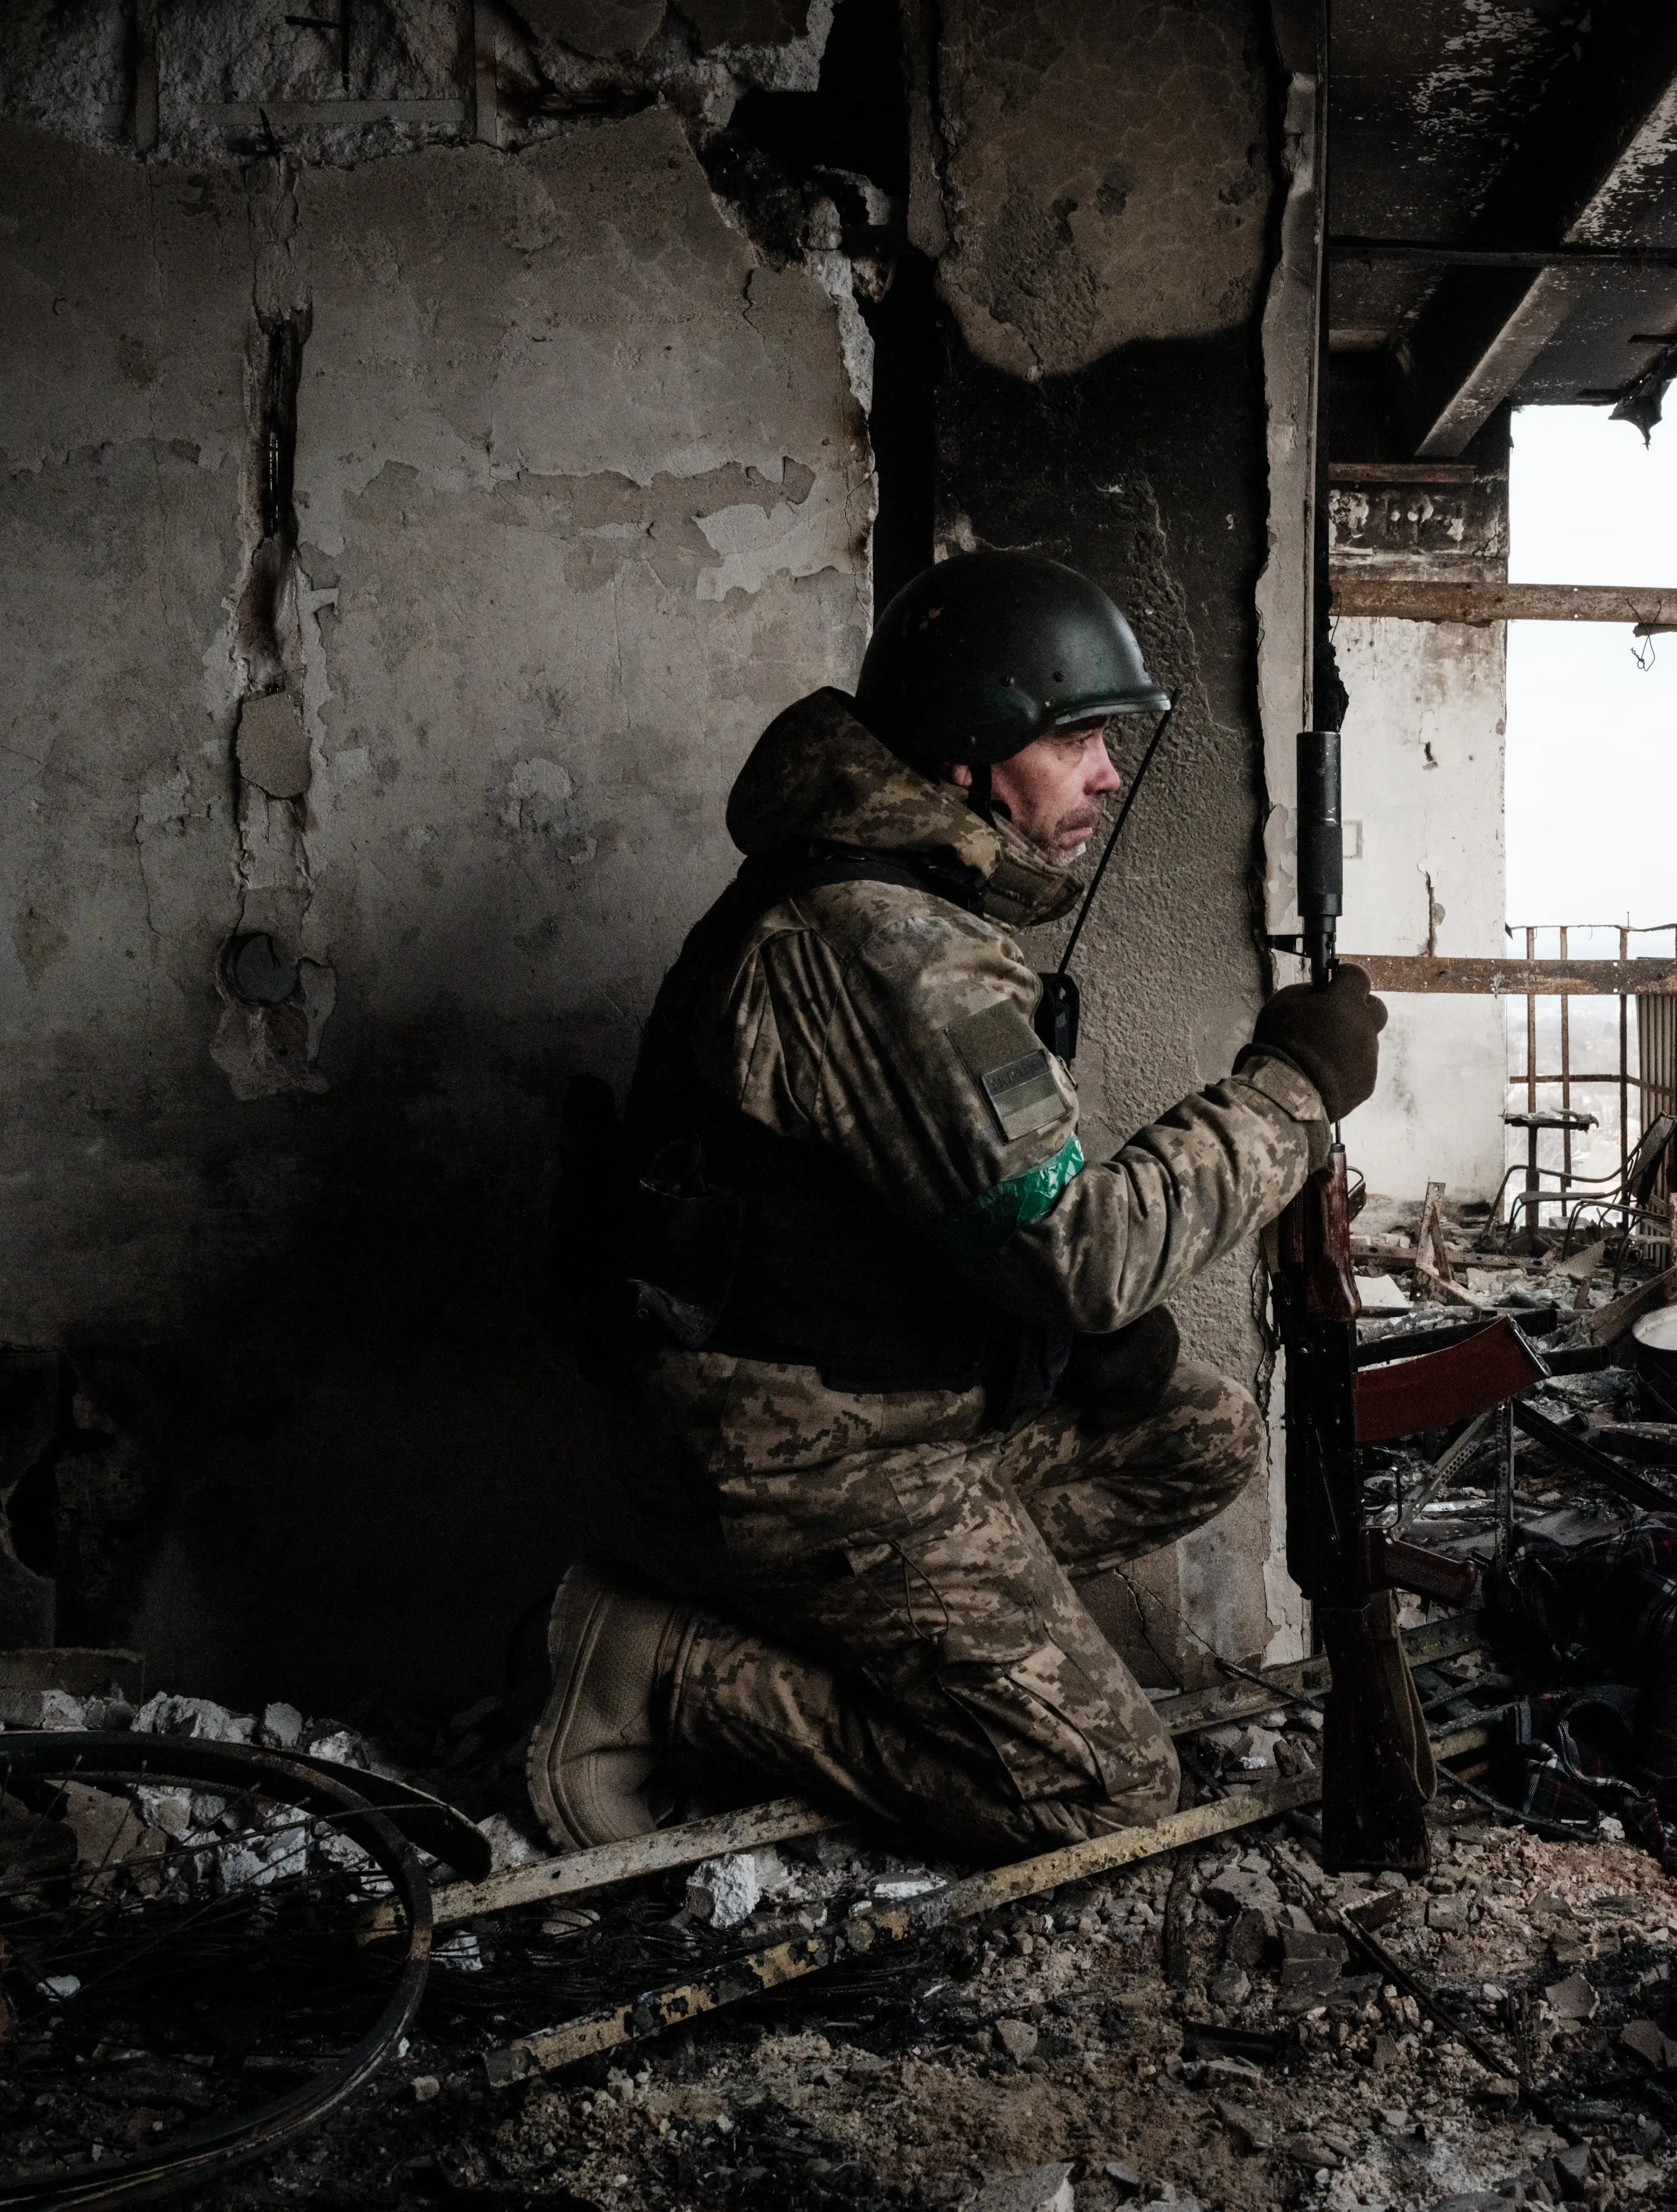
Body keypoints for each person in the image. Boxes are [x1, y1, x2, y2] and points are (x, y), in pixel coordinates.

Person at [529, 550, 1387, 1860]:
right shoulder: (885, 946)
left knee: (1199, 1433)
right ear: (970, 757)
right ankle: (669, 1665)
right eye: (1078, 738)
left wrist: (1054, 1334)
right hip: (808, 1456)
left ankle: (911, 1632)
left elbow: (926, 1203)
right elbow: (1089, 1254)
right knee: (1099, 1791)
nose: (1108, 771)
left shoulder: (899, 909)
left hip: (890, 1410)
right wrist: (1290, 1093)